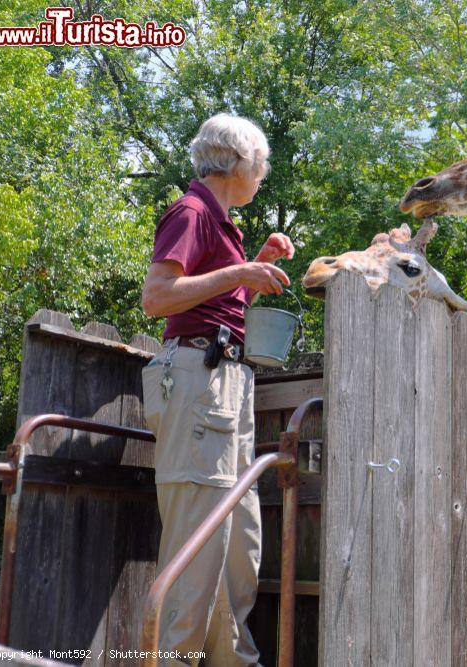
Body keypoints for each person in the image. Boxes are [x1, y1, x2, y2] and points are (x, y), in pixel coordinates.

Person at [139, 113, 294, 666]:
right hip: (198, 384)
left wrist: (256, 267)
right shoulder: (192, 211)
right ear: (239, 162)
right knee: (195, 558)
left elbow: (220, 308)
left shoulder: (225, 224)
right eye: (263, 164)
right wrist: (238, 274)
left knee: (238, 553)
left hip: (228, 384)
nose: (264, 174)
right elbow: (157, 298)